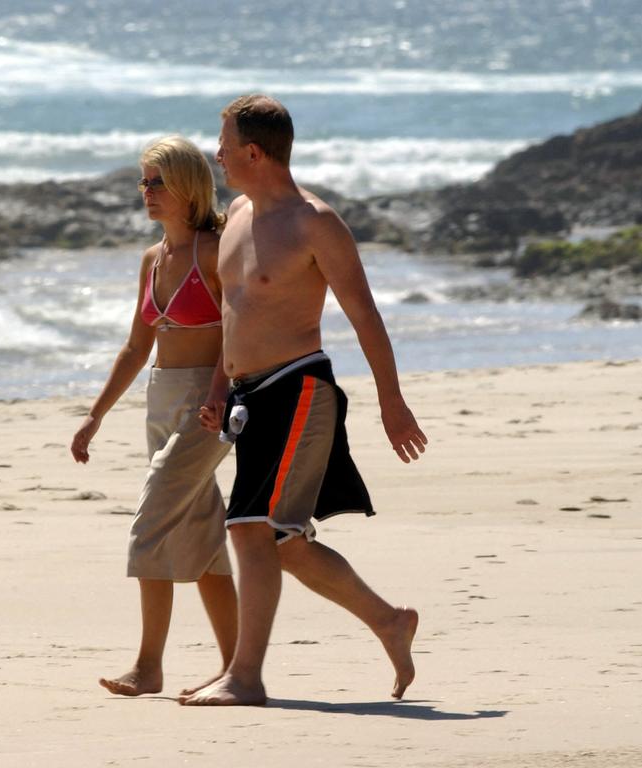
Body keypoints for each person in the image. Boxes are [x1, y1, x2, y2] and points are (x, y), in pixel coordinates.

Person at [180, 95, 428, 707]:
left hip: (298, 389)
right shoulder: (237, 213)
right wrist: (219, 388)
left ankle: (245, 676)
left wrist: (391, 403)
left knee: (249, 528)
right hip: (247, 396)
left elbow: (365, 314)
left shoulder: (315, 223)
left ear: (255, 152)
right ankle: (389, 621)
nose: (218, 155)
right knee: (284, 541)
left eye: (225, 145)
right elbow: (235, 316)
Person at [71, 135, 238, 697]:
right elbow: (135, 348)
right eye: (143, 181)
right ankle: (238, 666)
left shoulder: (215, 251)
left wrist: (219, 394)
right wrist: (94, 416)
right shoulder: (152, 259)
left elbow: (237, 337)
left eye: (157, 181)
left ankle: (148, 667)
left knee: (151, 525)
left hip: (205, 405)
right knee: (204, 540)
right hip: (160, 398)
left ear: (188, 186)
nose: (147, 191)